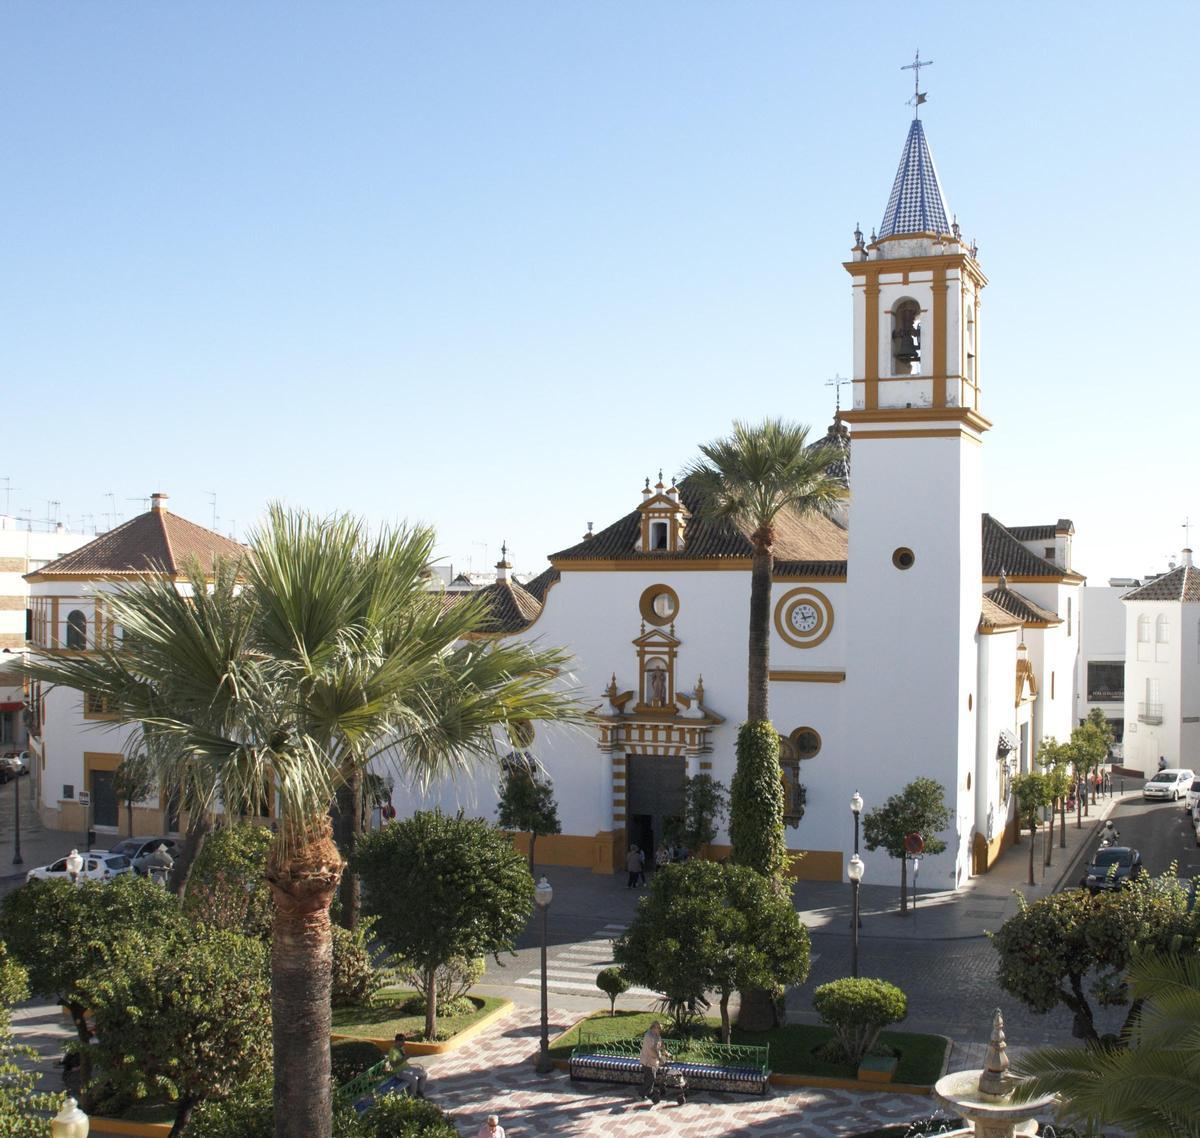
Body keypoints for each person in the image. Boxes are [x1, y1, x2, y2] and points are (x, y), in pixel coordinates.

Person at [386, 1032, 428, 1099]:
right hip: (399, 1072)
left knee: (424, 1073)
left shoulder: (401, 1048)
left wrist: (407, 1056)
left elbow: (403, 1057)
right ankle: (413, 1096)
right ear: (398, 1041)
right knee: (413, 1079)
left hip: (407, 1068)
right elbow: (393, 1065)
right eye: (402, 1041)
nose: (404, 1043)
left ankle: (420, 1091)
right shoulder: (392, 1051)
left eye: (404, 1041)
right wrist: (404, 1059)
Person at [638, 1020, 666, 1100]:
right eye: (659, 1028)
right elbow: (652, 1049)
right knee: (651, 1078)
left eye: (660, 1028)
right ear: (654, 1027)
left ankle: (647, 1093)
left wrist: (665, 1052)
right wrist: (659, 1057)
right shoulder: (649, 1036)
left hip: (653, 1061)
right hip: (647, 1061)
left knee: (650, 1078)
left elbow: (660, 1045)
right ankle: (643, 1094)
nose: (660, 1030)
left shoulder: (656, 1035)